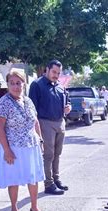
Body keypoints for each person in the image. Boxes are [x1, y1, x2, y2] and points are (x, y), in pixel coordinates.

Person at [0, 70, 47, 211]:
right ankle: (14, 210)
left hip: (31, 145)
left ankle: (34, 207)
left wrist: (41, 140)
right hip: (13, 148)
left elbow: (35, 122)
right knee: (14, 180)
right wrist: (7, 150)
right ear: (7, 84)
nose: (16, 86)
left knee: (34, 177)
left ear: (24, 83)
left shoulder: (28, 101)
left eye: (19, 83)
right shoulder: (3, 103)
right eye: (12, 83)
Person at [28, 60, 71, 195]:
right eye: (54, 72)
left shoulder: (59, 86)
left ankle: (56, 179)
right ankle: (49, 184)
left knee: (57, 153)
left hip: (60, 122)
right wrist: (35, 128)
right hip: (45, 122)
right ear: (47, 69)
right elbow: (31, 107)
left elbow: (67, 99)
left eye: (58, 73)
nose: (56, 75)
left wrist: (68, 106)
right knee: (48, 155)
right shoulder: (37, 85)